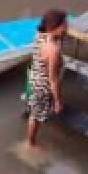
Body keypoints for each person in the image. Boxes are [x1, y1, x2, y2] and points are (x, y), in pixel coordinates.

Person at [24, 9, 66, 147]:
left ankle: (30, 140)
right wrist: (58, 101)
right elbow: (53, 80)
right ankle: (31, 144)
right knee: (36, 118)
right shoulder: (53, 50)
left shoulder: (39, 35)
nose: (66, 27)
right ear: (55, 26)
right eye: (64, 24)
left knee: (34, 113)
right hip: (42, 87)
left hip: (33, 78)